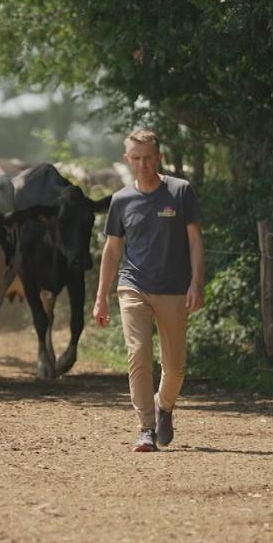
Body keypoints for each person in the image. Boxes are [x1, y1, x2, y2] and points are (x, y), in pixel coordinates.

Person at [93, 128, 205, 452]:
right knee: (138, 354)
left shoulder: (180, 192)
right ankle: (145, 427)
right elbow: (113, 250)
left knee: (175, 367)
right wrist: (101, 297)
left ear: (159, 158)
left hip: (173, 289)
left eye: (148, 158)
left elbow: (196, 240)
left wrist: (196, 284)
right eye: (136, 158)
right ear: (127, 160)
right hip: (133, 287)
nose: (142, 164)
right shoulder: (121, 200)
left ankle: (164, 405)